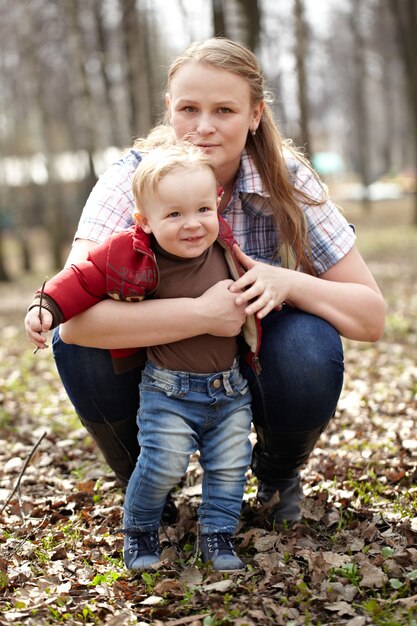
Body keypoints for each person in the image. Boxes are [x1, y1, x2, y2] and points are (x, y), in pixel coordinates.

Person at [25, 37, 385, 530]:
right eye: (189, 108)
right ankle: (149, 486)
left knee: (309, 343)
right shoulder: (129, 181)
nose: (203, 127)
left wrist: (286, 281)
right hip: (155, 361)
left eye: (225, 110)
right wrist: (202, 315)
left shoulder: (287, 179)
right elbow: (76, 325)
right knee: (81, 351)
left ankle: (277, 474)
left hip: (254, 350)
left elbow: (371, 315)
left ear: (255, 114)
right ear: (170, 109)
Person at [27, 140, 262, 571]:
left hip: (230, 389)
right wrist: (46, 305)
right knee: (162, 464)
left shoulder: (226, 249)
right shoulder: (129, 253)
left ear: (218, 207)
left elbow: (259, 280)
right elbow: (81, 278)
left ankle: (218, 535)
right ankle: (138, 531)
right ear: (145, 221)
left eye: (203, 210)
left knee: (230, 467)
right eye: (174, 214)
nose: (192, 224)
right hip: (168, 390)